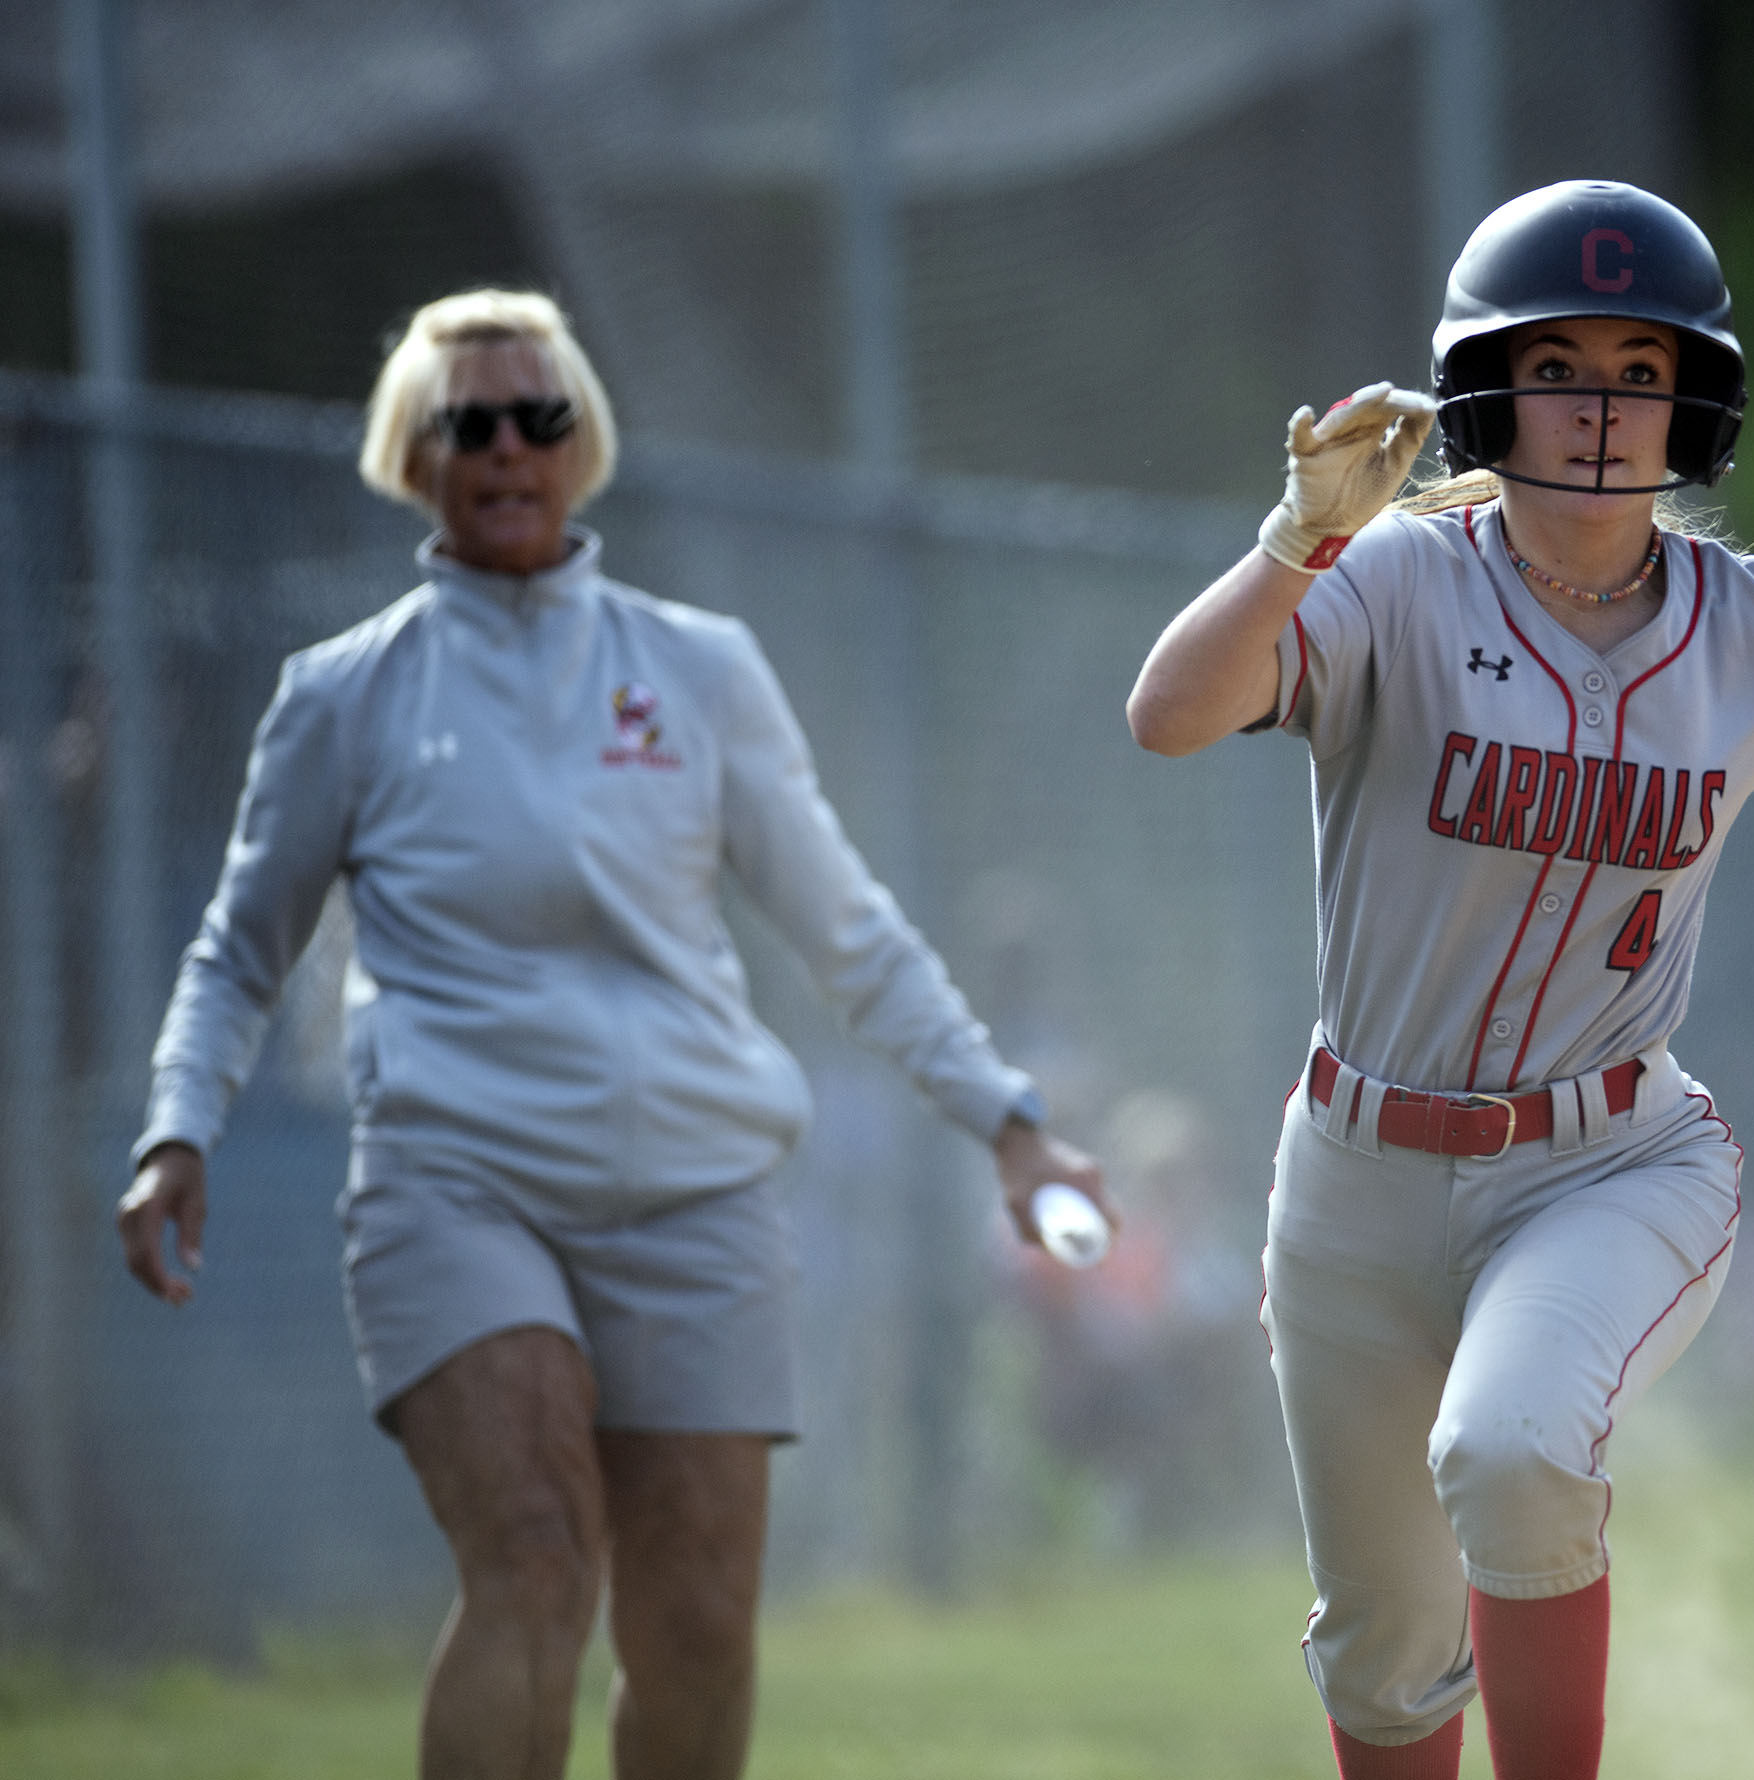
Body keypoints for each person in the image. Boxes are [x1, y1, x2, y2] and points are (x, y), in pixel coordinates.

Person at [1125, 182, 1754, 1780]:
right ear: (1485, 388)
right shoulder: (1393, 581)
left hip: (1611, 1161)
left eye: (1640, 366)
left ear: (1696, 399)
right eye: (1561, 365)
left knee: (1514, 1446)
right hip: (1354, 1179)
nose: (1603, 410)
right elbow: (1171, 714)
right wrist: (1295, 542)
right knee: (1389, 1658)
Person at [113, 289, 1108, 1780]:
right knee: (533, 1554)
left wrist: (1011, 1123)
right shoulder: (343, 696)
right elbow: (234, 947)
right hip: (457, 1180)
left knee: (699, 1620)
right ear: (415, 453)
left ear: (583, 443)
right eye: (470, 423)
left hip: (701, 1187)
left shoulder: (699, 669)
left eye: (541, 417)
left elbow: (849, 931)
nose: (509, 446)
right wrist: (178, 1121)